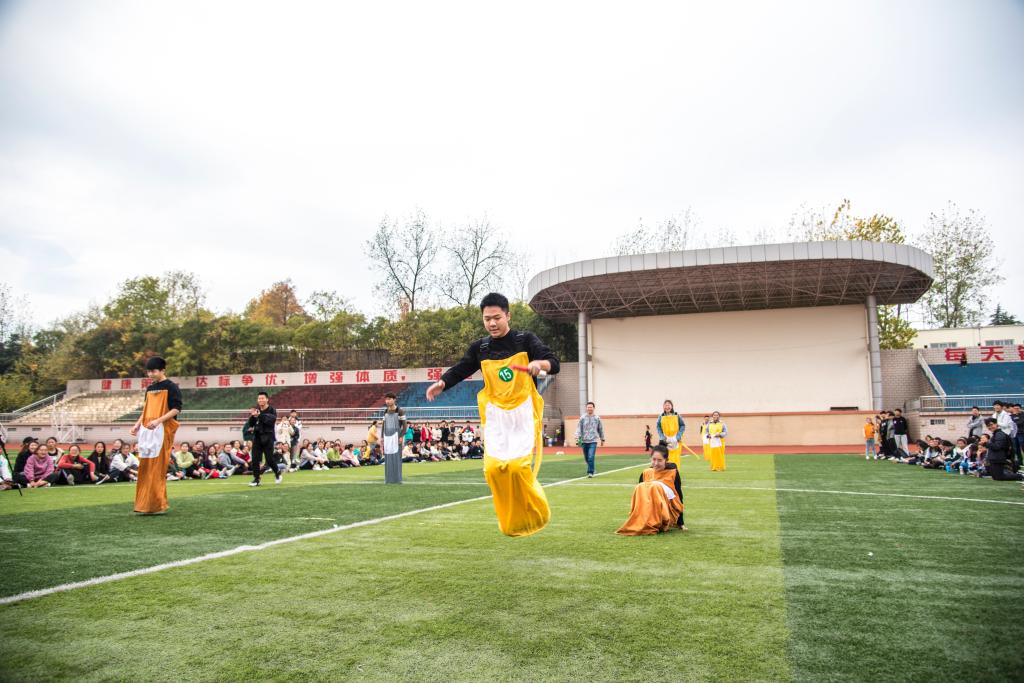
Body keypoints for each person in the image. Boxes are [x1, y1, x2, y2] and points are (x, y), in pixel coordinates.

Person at [426, 292, 560, 537]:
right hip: (496, 415)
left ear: (508, 315)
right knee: (492, 470)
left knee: (517, 468)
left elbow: (554, 362)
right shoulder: (481, 348)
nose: (492, 323)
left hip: (521, 411)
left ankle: (538, 510)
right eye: (487, 319)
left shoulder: (525, 340)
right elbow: (462, 368)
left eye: (497, 317)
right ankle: (512, 521)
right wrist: (442, 383)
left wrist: (539, 364)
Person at [129, 356, 182, 514]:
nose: (150, 374)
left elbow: (176, 409)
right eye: (149, 372)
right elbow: (146, 410)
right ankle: (144, 504)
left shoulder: (171, 387)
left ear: (163, 370)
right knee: (145, 467)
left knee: (157, 468)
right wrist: (137, 424)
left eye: (154, 371)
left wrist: (159, 421)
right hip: (147, 431)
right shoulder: (150, 388)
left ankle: (157, 505)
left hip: (162, 431)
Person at [616, 445, 687, 535]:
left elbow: (679, 496)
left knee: (654, 486)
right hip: (648, 511)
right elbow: (641, 499)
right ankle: (643, 521)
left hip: (668, 511)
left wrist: (681, 523)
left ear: (666, 460)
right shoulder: (646, 473)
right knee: (640, 486)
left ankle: (659, 521)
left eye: (660, 460)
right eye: (654, 459)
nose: (656, 463)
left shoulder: (672, 473)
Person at [247, 391, 283, 486]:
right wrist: (252, 416)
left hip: (268, 437)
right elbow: (251, 424)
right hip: (257, 437)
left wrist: (259, 415)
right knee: (255, 459)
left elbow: (270, 421)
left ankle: (277, 472)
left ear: (267, 399)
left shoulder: (272, 410)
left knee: (269, 459)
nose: (260, 400)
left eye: (262, 398)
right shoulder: (257, 410)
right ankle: (257, 479)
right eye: (259, 398)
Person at [380, 392, 408, 483]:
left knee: (397, 458)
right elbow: (383, 425)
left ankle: (397, 479)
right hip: (387, 437)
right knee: (388, 457)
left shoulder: (400, 411)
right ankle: (388, 479)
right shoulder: (385, 411)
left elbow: (405, 426)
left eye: (389, 399)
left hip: (396, 436)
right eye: (386, 399)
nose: (387, 401)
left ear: (394, 399)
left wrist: (401, 436)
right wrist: (382, 437)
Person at [575, 401, 605, 478]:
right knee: (586, 458)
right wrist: (577, 437)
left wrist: (602, 439)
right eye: (588, 407)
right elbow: (579, 428)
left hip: (593, 441)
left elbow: (600, 429)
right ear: (586, 408)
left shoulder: (597, 418)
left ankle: (590, 472)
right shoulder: (582, 418)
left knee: (591, 456)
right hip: (584, 441)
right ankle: (592, 469)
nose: (589, 408)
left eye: (591, 407)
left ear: (593, 408)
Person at [656, 400, 685, 469]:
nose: (667, 406)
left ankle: (675, 473)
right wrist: (662, 437)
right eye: (665, 405)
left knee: (675, 459)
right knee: (666, 458)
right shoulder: (661, 416)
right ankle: (667, 473)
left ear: (672, 406)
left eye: (669, 405)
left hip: (675, 440)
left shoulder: (677, 415)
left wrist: (678, 437)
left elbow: (682, 425)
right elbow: (658, 427)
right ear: (663, 407)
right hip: (665, 440)